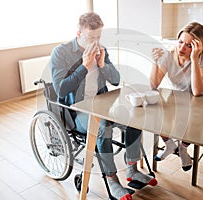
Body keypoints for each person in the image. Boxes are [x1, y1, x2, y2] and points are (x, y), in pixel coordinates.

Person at [50, 12, 157, 200]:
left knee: (135, 116)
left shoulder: (101, 50)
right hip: (77, 111)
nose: (96, 42)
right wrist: (84, 66)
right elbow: (61, 90)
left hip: (102, 104)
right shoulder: (61, 52)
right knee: (102, 126)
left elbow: (115, 80)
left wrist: (101, 64)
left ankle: (131, 169)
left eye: (98, 37)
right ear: (79, 33)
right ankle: (111, 179)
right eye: (91, 37)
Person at [150, 22, 203, 171]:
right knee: (153, 114)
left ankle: (183, 149)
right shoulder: (169, 55)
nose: (182, 48)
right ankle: (170, 145)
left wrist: (195, 59)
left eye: (189, 45)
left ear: (198, 46)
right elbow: (154, 85)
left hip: (199, 100)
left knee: (193, 123)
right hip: (177, 98)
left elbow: (197, 91)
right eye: (181, 42)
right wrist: (155, 62)